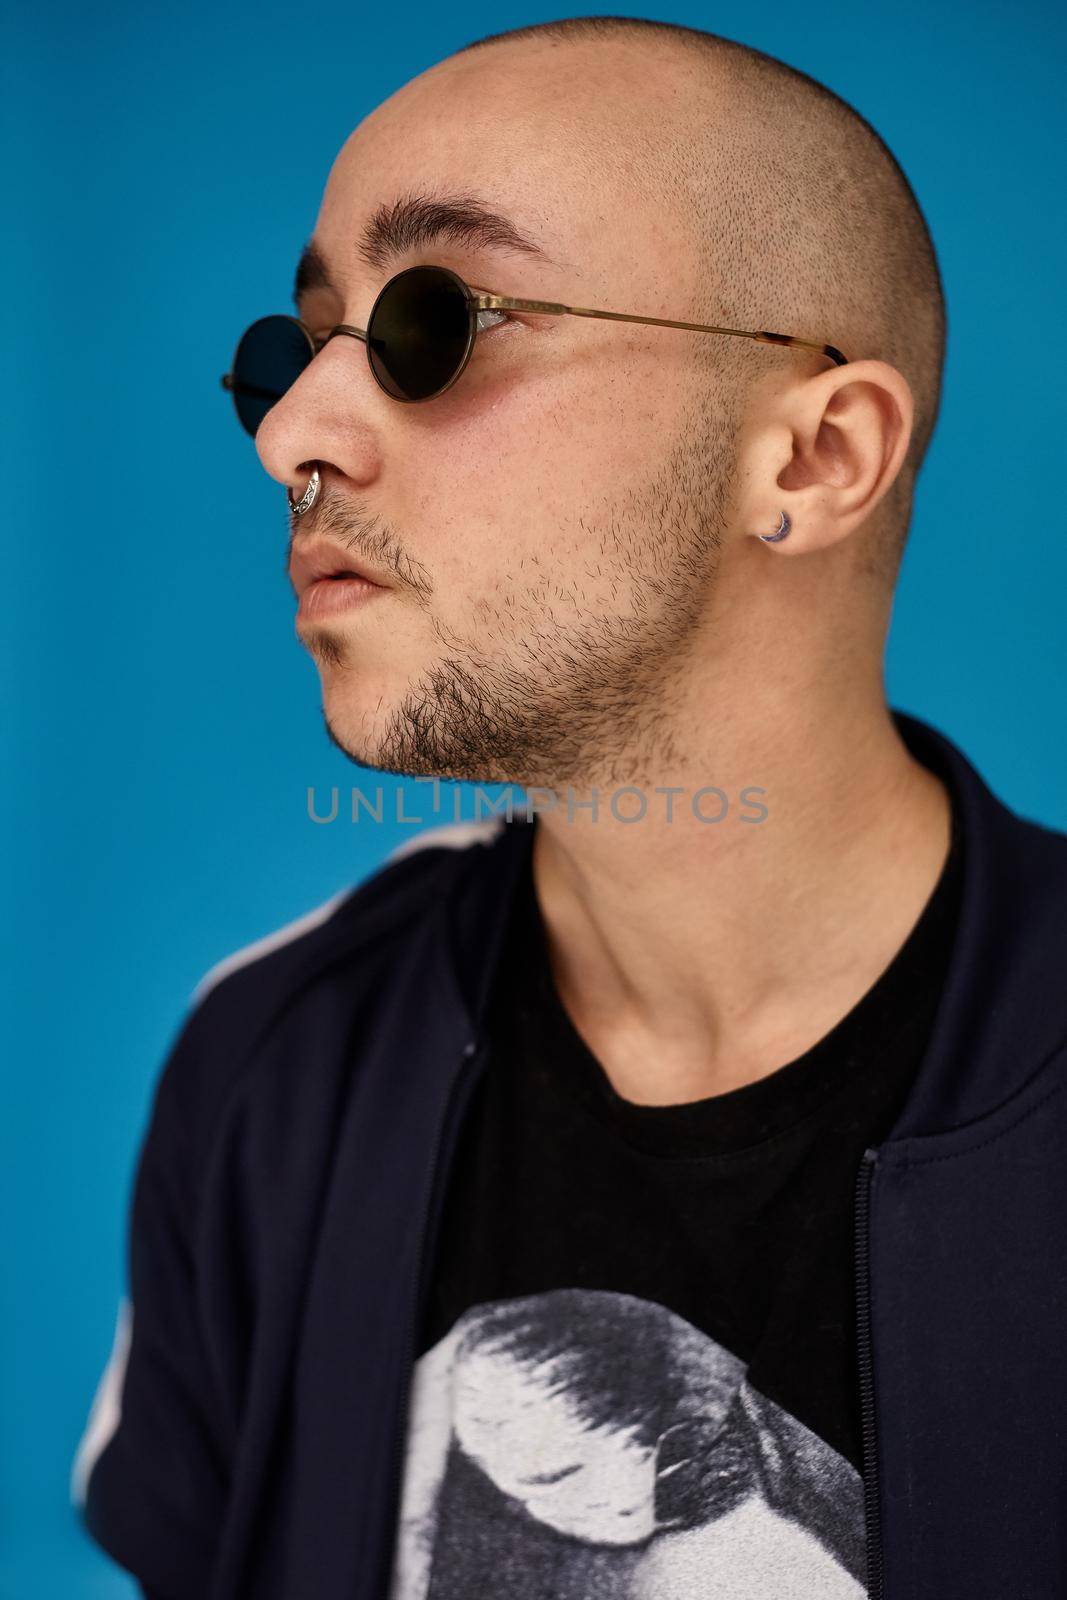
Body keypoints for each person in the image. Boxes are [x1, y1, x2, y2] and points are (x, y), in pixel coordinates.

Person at [71, 15, 1067, 1599]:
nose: (290, 437)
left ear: (814, 455)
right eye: (290, 349)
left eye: (432, 321)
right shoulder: (271, 1073)